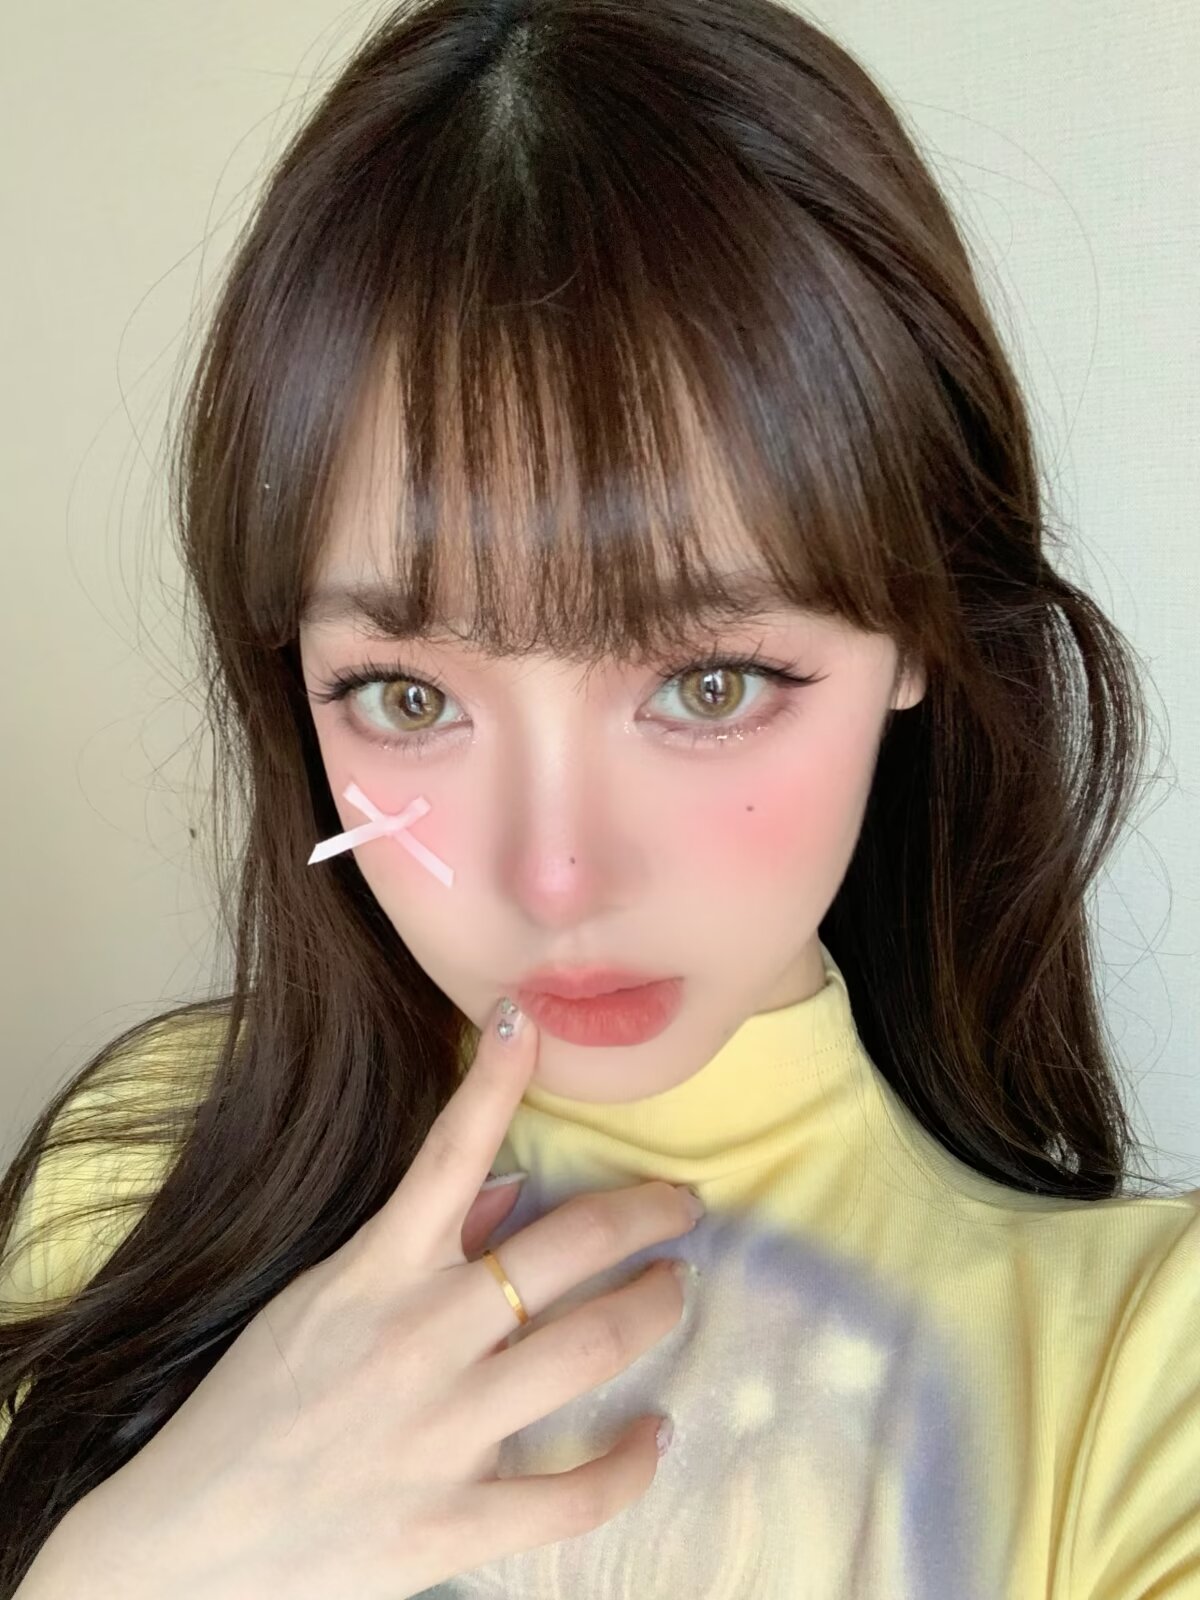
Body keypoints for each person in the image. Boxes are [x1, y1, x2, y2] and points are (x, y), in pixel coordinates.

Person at [1, 0, 1196, 1595]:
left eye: (708, 684)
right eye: (408, 696)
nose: (554, 879)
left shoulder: (1142, 1375)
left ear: (918, 627)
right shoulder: (144, 1173)